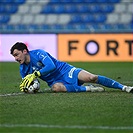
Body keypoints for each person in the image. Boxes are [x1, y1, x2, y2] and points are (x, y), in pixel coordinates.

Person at [10, 42, 133, 93]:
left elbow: (51, 66)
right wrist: (28, 88)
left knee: (92, 77)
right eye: (14, 56)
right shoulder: (23, 69)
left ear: (25, 51)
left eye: (17, 54)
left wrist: (36, 74)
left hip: (64, 70)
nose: (16, 58)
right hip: (54, 81)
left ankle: (124, 87)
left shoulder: (38, 53)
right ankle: (89, 89)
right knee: (56, 88)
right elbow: (29, 82)